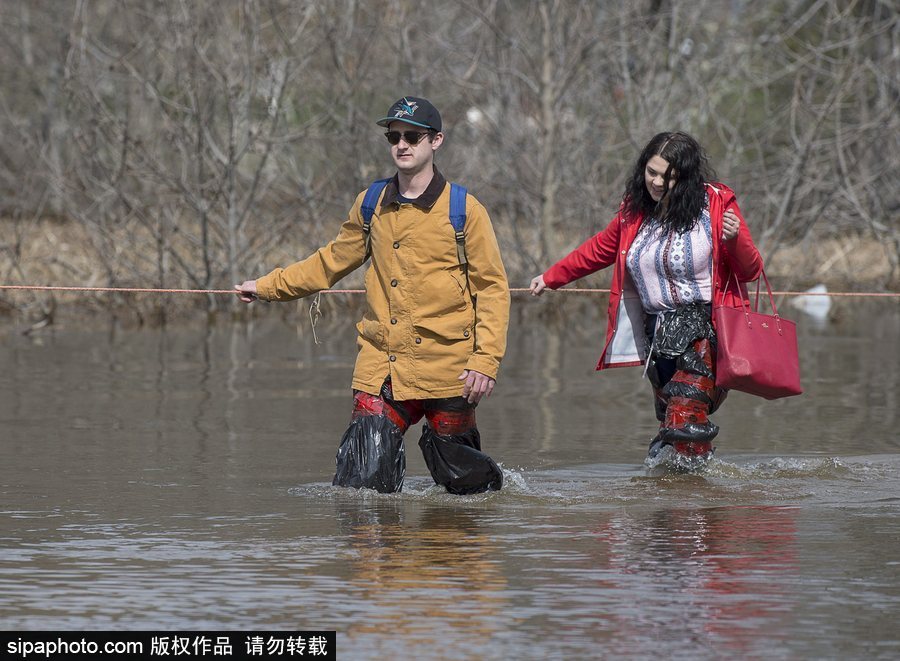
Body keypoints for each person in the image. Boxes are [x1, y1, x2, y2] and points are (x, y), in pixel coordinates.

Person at [235, 96, 509, 494]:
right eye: (394, 136)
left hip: (450, 368)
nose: (402, 144)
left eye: (413, 136)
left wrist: (485, 362)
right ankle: (377, 555)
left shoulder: (465, 210)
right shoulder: (370, 203)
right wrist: (266, 287)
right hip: (383, 366)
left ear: (436, 141)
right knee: (360, 488)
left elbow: (493, 291)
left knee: (466, 491)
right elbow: (329, 262)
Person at [529, 131, 762, 468]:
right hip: (657, 335)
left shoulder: (715, 204)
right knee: (671, 429)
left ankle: (696, 511)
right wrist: (551, 277)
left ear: (685, 177)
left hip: (706, 332)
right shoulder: (634, 212)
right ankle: (678, 506)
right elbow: (598, 250)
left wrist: (735, 238)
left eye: (667, 176)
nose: (655, 181)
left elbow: (751, 269)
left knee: (685, 417)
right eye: (650, 172)